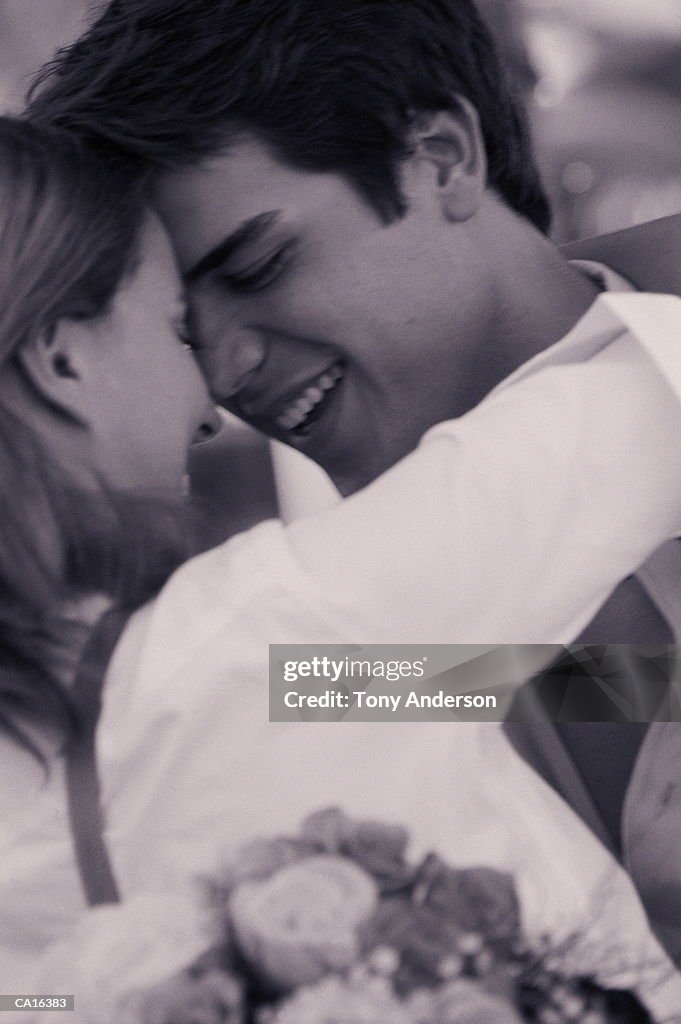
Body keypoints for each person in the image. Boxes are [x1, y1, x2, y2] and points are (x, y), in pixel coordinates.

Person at [26, 0, 681, 966]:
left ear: (443, 156)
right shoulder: (317, 654)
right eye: (180, 328)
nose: (225, 371)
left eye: (259, 263)